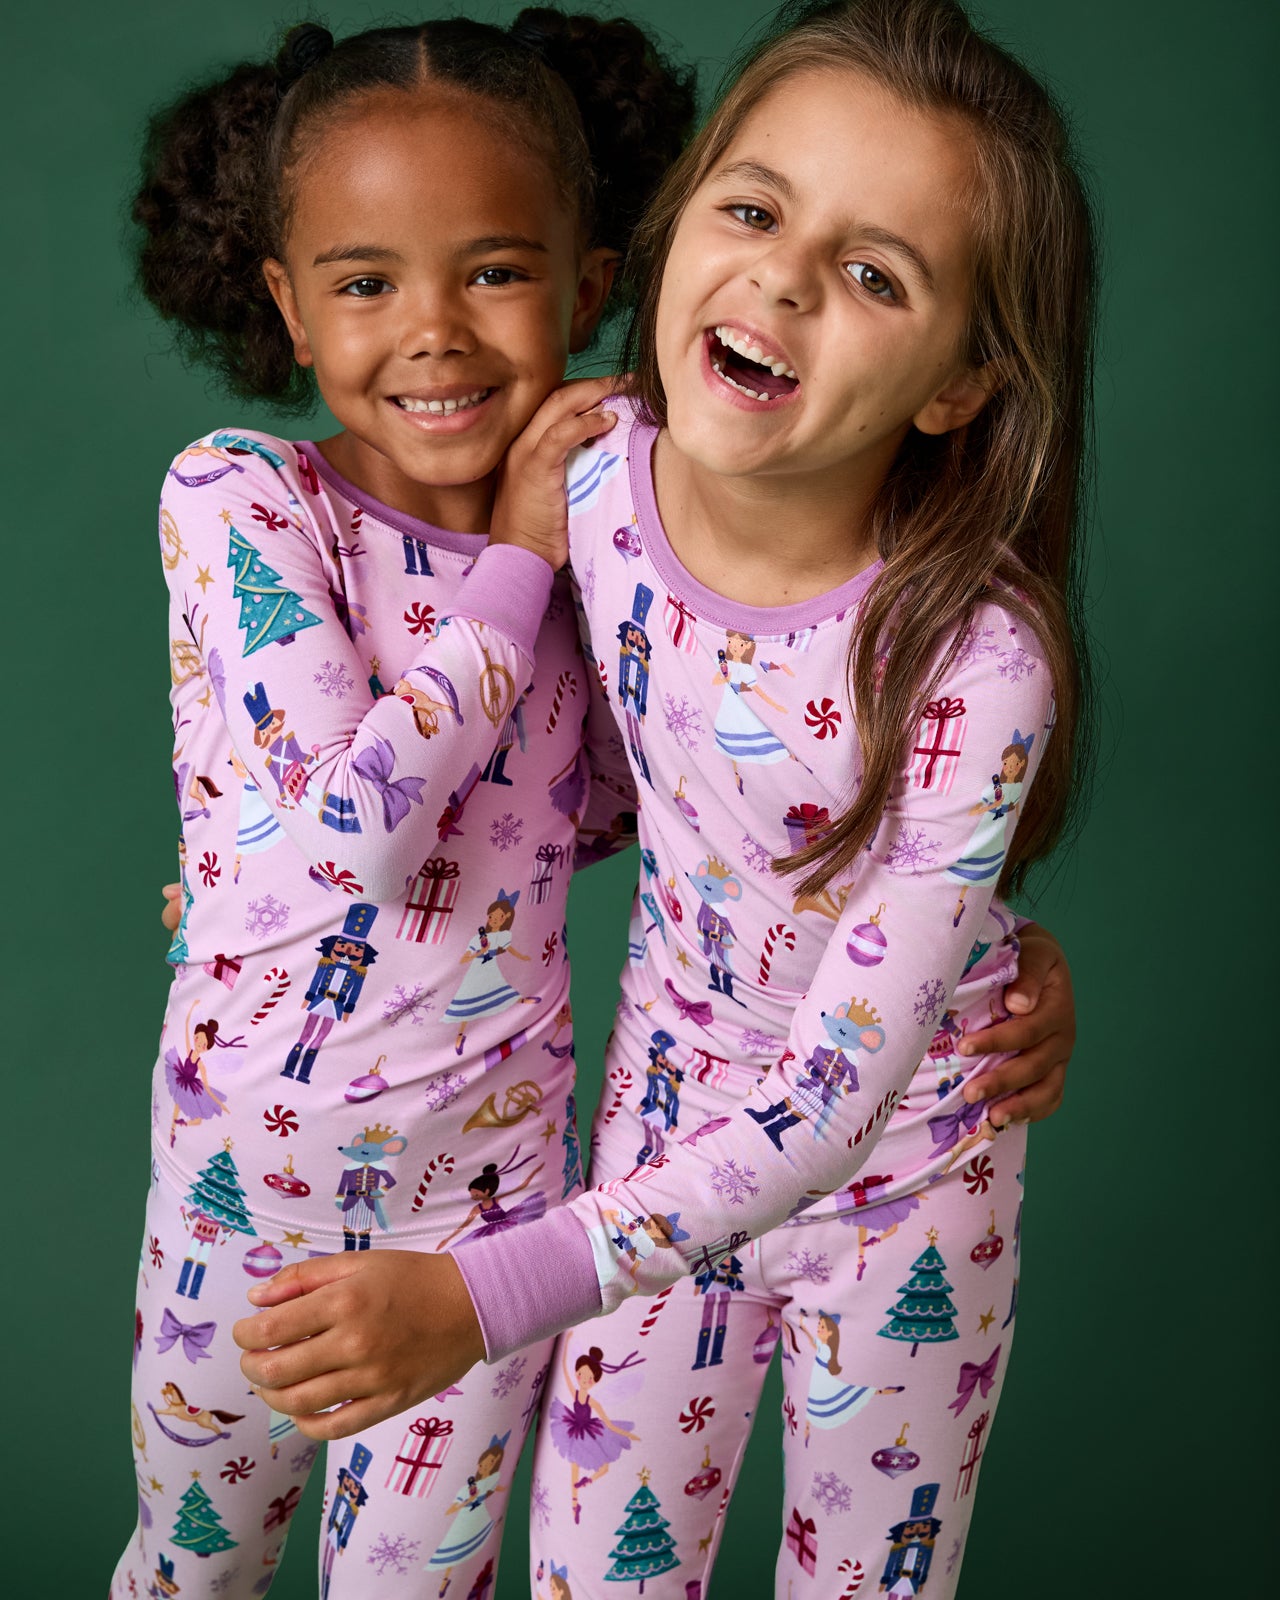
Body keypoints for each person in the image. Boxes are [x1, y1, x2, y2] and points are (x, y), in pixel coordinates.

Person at [232, 5, 1091, 1597]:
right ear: (678, 223)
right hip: (653, 1142)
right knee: (599, 1572)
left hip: (905, 1181)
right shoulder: (588, 477)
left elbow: (840, 1093)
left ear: (963, 381)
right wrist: (245, 895)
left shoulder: (978, 661)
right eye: (756, 211)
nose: (780, 279)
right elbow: (519, 775)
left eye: (875, 273)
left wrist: (486, 1296)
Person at [112, 13, 698, 1599]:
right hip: (246, 1198)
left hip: (484, 1218)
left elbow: (720, 809)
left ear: (587, 288)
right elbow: (357, 836)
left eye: (496, 271)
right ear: (288, 307)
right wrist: (518, 560)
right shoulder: (242, 496)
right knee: (196, 1568)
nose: (433, 329)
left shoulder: (619, 538)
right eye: (367, 282)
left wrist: (1000, 950)